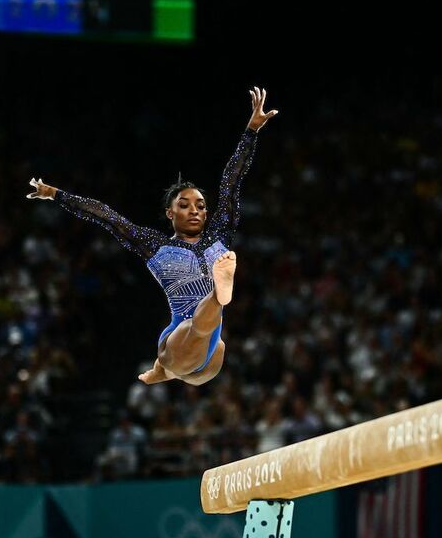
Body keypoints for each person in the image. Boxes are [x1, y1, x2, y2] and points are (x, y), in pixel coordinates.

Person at [27, 87, 278, 385]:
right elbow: (107, 216)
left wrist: (251, 131)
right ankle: (213, 301)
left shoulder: (220, 236)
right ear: (170, 214)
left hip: (210, 357)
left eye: (200, 205)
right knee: (197, 325)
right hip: (179, 337)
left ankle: (164, 371)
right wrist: (55, 194)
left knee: (206, 353)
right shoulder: (156, 246)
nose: (194, 210)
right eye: (183, 205)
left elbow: (231, 181)